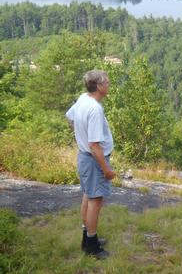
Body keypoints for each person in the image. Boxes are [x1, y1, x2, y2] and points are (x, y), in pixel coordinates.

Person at [66, 70, 116, 259]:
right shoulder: (94, 109)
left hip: (84, 157)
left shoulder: (83, 98)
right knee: (95, 202)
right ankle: (92, 247)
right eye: (107, 82)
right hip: (94, 160)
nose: (109, 84)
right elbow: (95, 146)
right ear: (99, 86)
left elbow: (69, 117)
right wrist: (107, 170)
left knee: (88, 197)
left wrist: (80, 134)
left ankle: (86, 238)